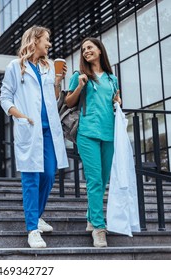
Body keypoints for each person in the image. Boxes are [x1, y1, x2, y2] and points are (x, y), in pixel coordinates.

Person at [0, 25, 69, 248]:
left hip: (48, 129)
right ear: (35, 40)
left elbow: (53, 97)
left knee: (49, 174)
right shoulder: (15, 66)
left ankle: (36, 216)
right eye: (46, 39)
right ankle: (32, 230)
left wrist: (58, 81)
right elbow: (5, 97)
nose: (49, 44)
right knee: (31, 179)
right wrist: (20, 115)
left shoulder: (48, 67)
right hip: (29, 128)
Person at [65, 37, 121, 247]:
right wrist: (79, 87)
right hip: (87, 134)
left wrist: (117, 101)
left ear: (99, 50)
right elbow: (69, 101)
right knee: (95, 180)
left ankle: (91, 216)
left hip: (109, 134)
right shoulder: (80, 76)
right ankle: (99, 227)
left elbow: (114, 101)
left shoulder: (111, 79)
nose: (86, 51)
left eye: (89, 47)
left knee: (104, 179)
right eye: (83, 49)